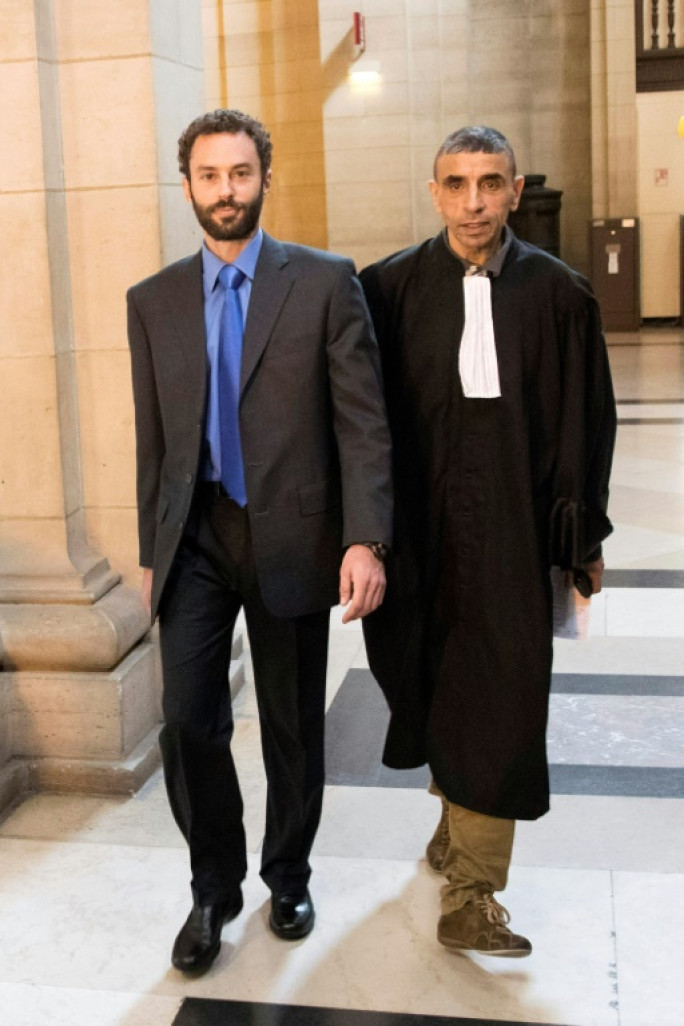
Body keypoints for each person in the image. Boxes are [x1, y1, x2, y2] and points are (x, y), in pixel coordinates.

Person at [127, 109, 392, 974]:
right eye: (210, 176)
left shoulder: (322, 281)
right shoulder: (153, 300)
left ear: (263, 179)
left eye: (241, 173)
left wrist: (365, 539)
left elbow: (362, 423)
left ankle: (287, 873)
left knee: (290, 726)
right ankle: (214, 885)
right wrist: (148, 551)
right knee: (185, 722)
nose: (226, 191)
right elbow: (154, 442)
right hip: (196, 536)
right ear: (189, 186)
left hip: (291, 534)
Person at [360, 126, 616, 958]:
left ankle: (471, 891)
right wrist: (363, 535)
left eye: (491, 183)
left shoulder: (560, 295)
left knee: (501, 699)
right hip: (419, 538)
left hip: (511, 532)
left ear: (514, 191)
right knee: (428, 677)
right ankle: (455, 817)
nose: (474, 201)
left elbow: (587, 425)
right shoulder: (389, 290)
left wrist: (581, 540)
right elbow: (361, 425)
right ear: (434, 193)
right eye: (457, 183)